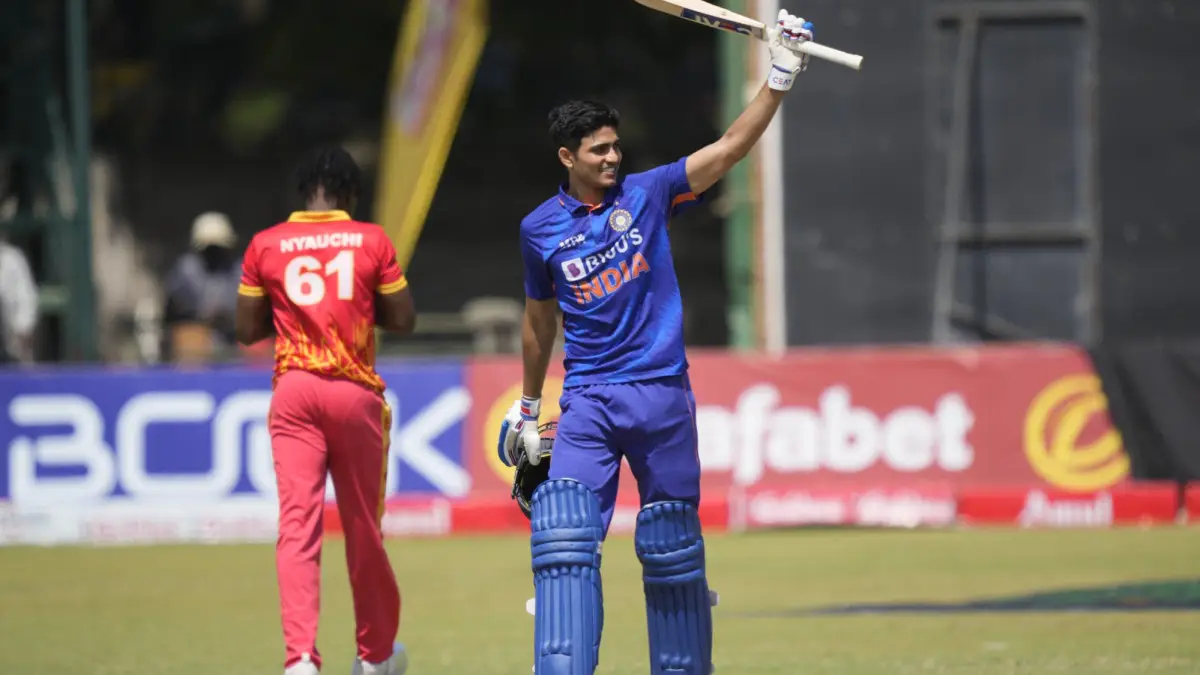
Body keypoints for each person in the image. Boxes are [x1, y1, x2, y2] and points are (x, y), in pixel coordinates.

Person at [498, 11, 814, 675]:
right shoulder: (539, 229)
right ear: (567, 157)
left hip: (662, 395)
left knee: (671, 549)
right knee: (563, 542)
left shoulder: (648, 193)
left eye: (615, 146)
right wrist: (529, 407)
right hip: (586, 402)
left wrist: (780, 76)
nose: (614, 158)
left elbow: (727, 149)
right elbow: (537, 321)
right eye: (599, 150)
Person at [235, 147, 416, 675]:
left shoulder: (265, 245)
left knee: (297, 527)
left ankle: (299, 661)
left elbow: (247, 330)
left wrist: (297, 311)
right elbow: (402, 317)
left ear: (303, 193)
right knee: (363, 526)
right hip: (352, 391)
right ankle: (375, 658)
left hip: (293, 392)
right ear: (350, 195)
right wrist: (353, 306)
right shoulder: (370, 239)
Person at [164, 211, 243, 361]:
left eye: (218, 248)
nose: (214, 254)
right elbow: (171, 312)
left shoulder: (239, 270)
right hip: (195, 342)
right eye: (209, 248)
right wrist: (201, 318)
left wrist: (229, 317)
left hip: (234, 340)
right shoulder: (185, 270)